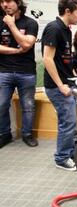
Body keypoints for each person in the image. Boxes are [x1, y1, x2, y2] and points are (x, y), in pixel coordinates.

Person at [42, 0, 77, 171]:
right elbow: (47, 59)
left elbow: (64, 60)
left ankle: (68, 152)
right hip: (57, 87)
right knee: (68, 123)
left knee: (68, 122)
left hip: (66, 84)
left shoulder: (66, 30)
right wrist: (60, 85)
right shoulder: (54, 28)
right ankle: (61, 158)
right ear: (68, 11)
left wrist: (74, 78)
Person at [0, 0, 38, 148]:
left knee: (28, 106)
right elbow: (20, 47)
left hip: (26, 72)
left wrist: (11, 24)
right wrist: (15, 51)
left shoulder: (30, 23)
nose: (4, 4)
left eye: (8, 1)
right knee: (1, 105)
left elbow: (27, 44)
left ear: (18, 3)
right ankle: (5, 134)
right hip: (4, 71)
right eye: (2, 1)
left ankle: (27, 134)